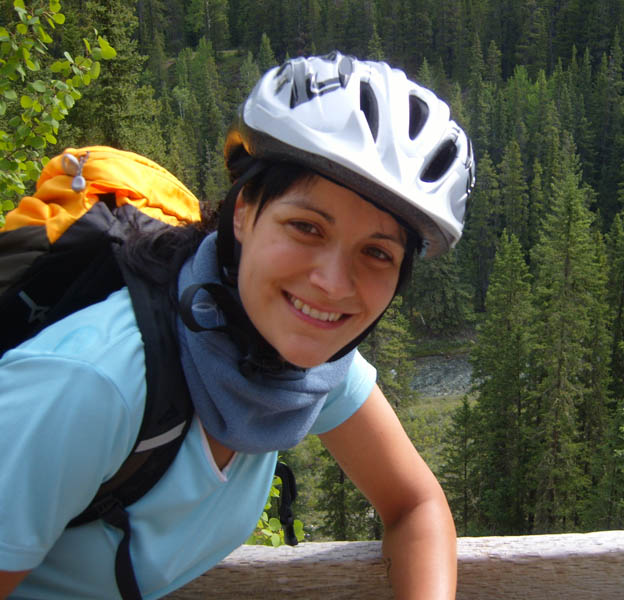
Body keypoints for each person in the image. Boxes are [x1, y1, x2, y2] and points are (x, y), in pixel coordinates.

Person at [0, 51, 474, 599]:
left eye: (377, 253)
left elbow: (415, 506)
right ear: (245, 212)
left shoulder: (305, 363)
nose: (333, 283)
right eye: (307, 227)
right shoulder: (94, 384)